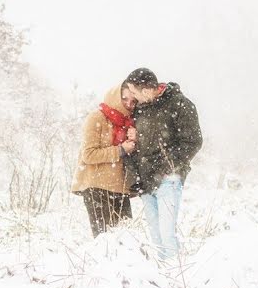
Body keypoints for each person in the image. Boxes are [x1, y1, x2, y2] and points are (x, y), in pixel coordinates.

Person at [123, 68, 202, 261]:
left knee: (167, 234)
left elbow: (193, 141)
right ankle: (163, 277)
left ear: (147, 90)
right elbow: (144, 143)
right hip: (147, 179)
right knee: (156, 236)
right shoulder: (141, 109)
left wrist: (168, 165)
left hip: (169, 179)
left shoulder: (180, 104)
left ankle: (176, 277)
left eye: (134, 92)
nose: (132, 97)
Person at [70, 84, 138, 237]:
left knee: (128, 240)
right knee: (105, 242)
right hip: (97, 188)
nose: (128, 104)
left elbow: (132, 158)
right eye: (124, 98)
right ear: (115, 97)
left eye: (133, 101)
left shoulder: (130, 124)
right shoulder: (96, 118)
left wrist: (136, 141)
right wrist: (120, 150)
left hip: (120, 188)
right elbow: (88, 155)